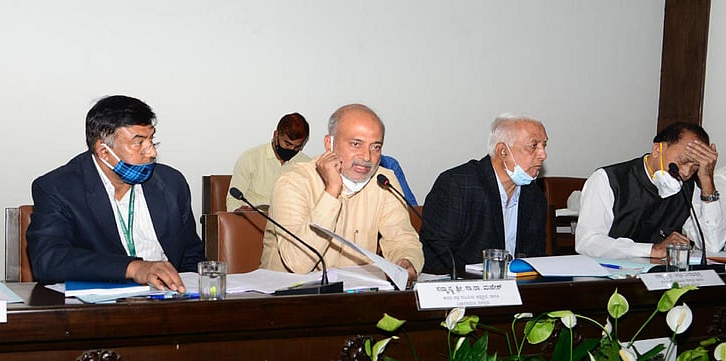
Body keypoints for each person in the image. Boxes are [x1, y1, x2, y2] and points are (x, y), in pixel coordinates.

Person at [27, 95, 204, 291]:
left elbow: (191, 255)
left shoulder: (171, 183)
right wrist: (134, 268)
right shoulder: (59, 188)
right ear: (104, 152)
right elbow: (48, 260)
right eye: (138, 143)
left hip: (168, 300)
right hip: (101, 305)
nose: (152, 152)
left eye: (151, 140)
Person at [259, 104, 424, 284]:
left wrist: (406, 261)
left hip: (355, 293)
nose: (367, 157)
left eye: (375, 147)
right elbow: (299, 263)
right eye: (356, 144)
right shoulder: (293, 181)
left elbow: (402, 239)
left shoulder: (384, 181)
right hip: (288, 295)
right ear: (329, 144)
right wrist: (332, 190)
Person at [420, 114, 548, 274]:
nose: (543, 155)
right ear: (503, 151)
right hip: (465, 286)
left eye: (544, 145)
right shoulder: (458, 185)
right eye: (533, 146)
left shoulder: (534, 197)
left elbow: (536, 260)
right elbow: (434, 259)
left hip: (519, 286)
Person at [576, 122, 726, 258]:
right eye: (682, 161)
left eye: (695, 167)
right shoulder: (608, 179)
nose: (686, 173)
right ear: (657, 149)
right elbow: (587, 242)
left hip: (661, 275)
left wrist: (707, 182)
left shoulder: (690, 188)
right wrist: (652, 250)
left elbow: (712, 245)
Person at [226, 112, 311, 212]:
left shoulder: (307, 165)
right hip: (256, 218)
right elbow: (232, 201)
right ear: (276, 135)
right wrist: (239, 210)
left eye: (297, 147)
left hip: (290, 219)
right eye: (287, 144)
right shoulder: (250, 159)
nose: (291, 149)